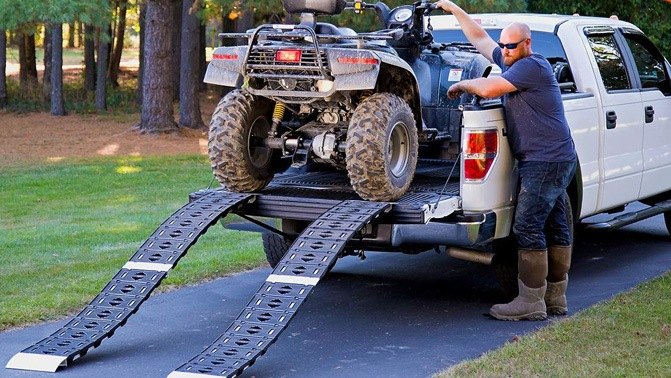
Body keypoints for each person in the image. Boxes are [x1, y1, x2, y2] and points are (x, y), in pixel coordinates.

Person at [434, 0, 578, 321]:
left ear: (527, 44)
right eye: (504, 46)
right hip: (554, 158)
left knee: (527, 226)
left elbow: (489, 89)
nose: (505, 51)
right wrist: (456, 10)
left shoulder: (531, 66)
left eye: (511, 46)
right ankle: (555, 298)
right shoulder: (513, 58)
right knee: (555, 226)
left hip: (545, 161)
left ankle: (529, 302)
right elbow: (481, 39)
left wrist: (461, 84)